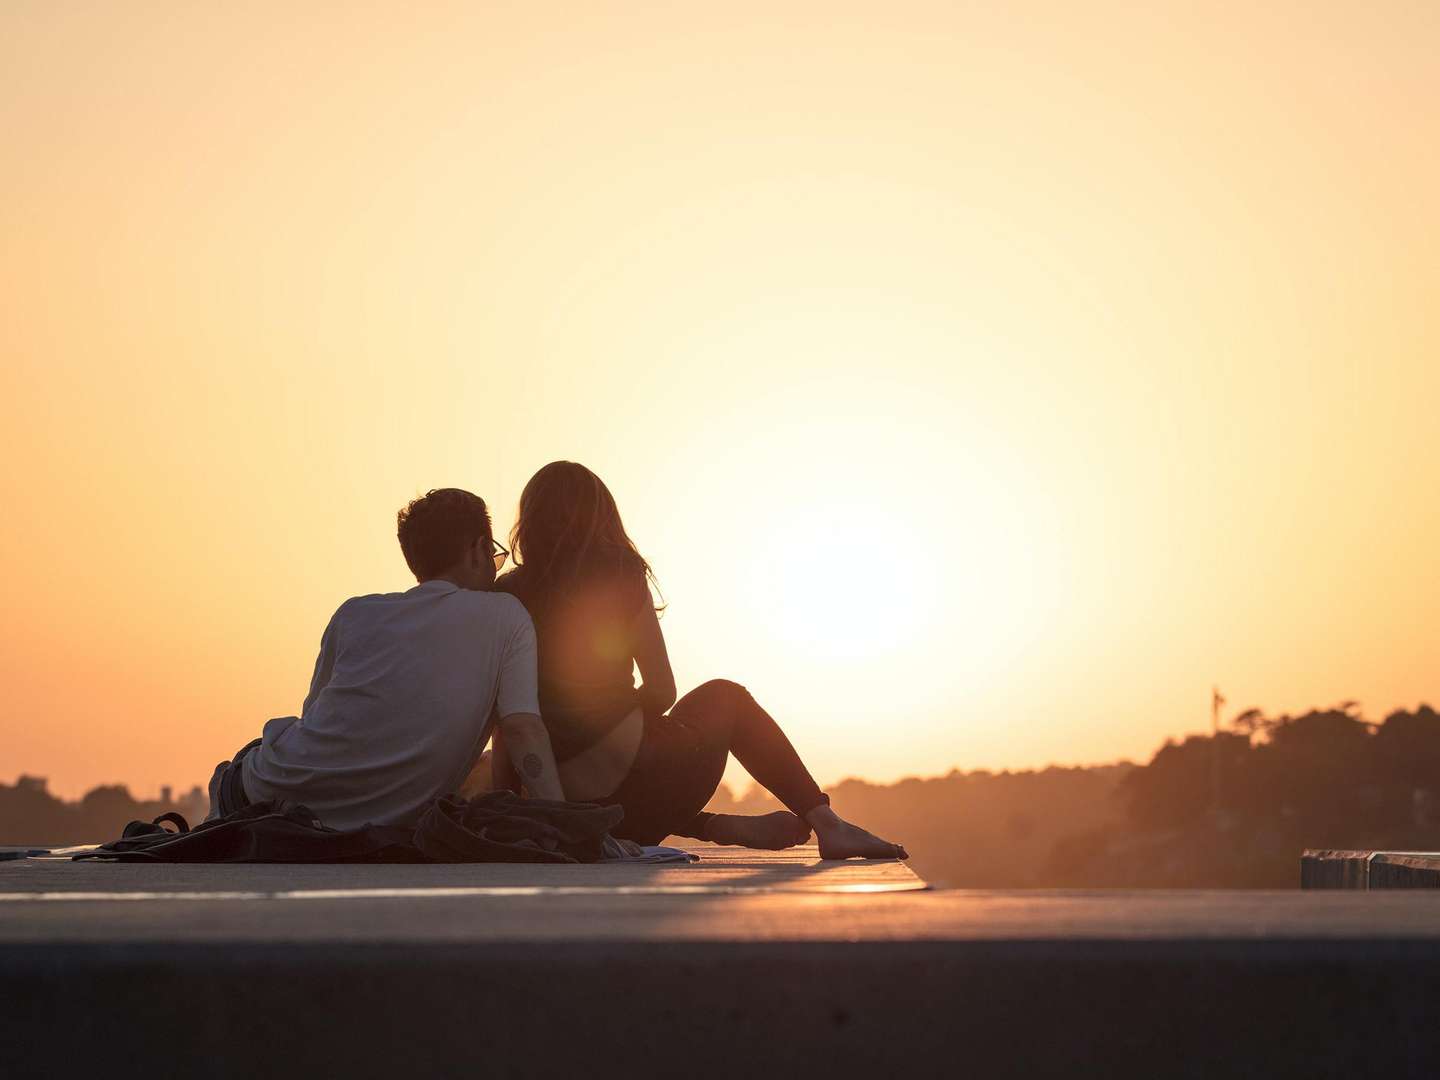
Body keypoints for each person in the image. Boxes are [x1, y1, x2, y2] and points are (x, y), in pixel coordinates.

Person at [493, 461, 907, 860]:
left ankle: (710, 826)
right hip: (641, 787)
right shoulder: (621, 573)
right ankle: (827, 825)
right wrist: (619, 716)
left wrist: (513, 806)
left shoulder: (506, 593)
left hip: (567, 806)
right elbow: (662, 689)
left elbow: (506, 718)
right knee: (726, 697)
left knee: (610, 783)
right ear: (602, 518)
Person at [206, 488, 565, 829]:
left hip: (268, 796)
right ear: (479, 549)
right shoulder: (506, 616)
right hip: (370, 820)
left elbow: (319, 720)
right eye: (495, 556)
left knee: (261, 751)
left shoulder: (354, 614)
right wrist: (566, 826)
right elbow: (522, 728)